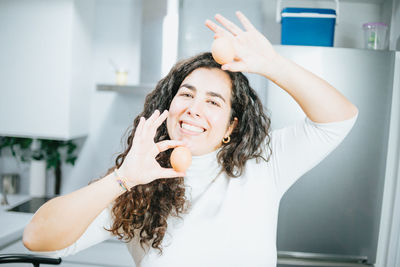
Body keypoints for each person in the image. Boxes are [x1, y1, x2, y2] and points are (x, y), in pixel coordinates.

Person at [23, 11, 358, 267]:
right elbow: (37, 239)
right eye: (187, 94)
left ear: (231, 126)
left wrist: (273, 65)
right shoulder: (136, 184)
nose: (194, 109)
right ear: (169, 107)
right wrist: (122, 178)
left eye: (213, 101)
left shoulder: (263, 165)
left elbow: (339, 119)